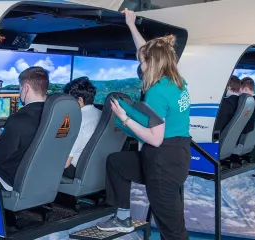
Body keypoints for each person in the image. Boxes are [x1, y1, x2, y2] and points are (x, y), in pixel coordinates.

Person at [95, 9, 192, 240]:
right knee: (117, 163)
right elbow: (146, 51)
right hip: (177, 155)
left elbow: (155, 138)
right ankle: (122, 216)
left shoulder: (157, 92)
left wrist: (125, 118)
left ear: (153, 63)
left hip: (162, 161)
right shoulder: (177, 81)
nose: (141, 66)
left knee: (172, 229)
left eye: (143, 62)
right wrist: (131, 25)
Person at [0, 66, 49, 191]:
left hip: (12, 181)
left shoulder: (20, 119)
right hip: (42, 180)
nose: (20, 92)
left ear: (26, 88)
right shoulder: (55, 115)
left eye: (20, 88)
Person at [62, 77, 102, 179]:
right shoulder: (101, 114)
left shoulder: (76, 119)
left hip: (76, 170)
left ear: (80, 99)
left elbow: (65, 163)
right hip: (97, 170)